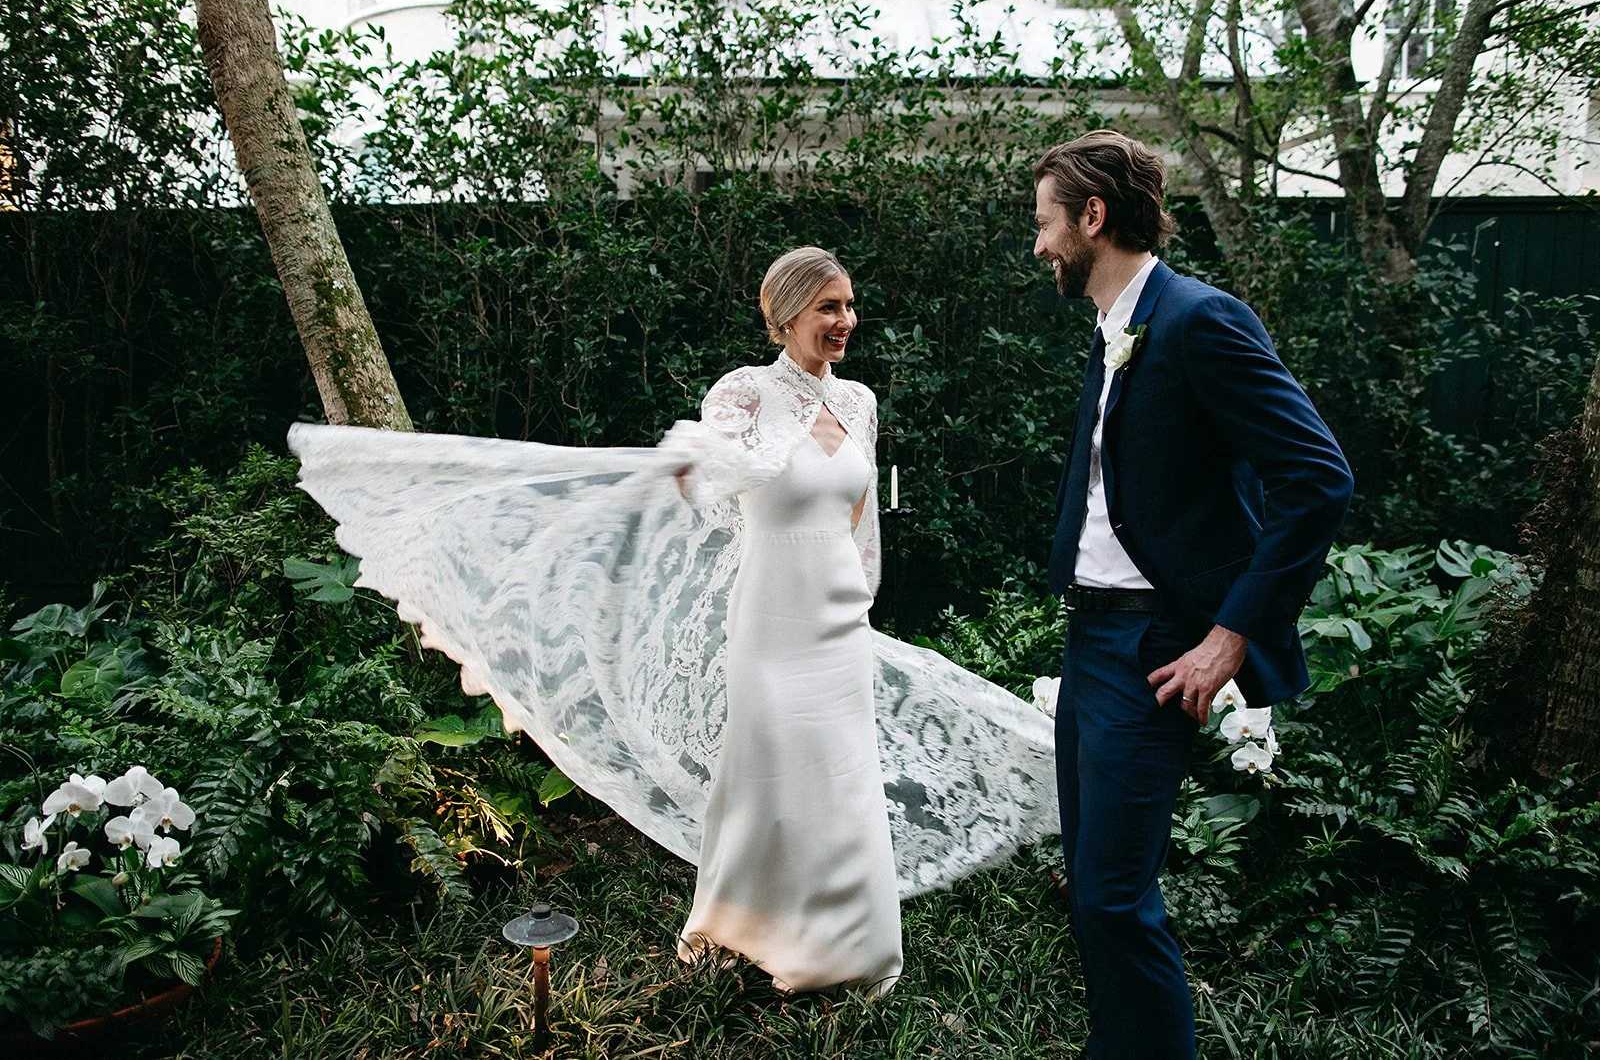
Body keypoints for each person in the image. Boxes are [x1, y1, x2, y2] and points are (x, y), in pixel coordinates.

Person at [288, 246, 1059, 999]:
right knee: (764, 773)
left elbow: (858, 518)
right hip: (770, 612)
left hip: (836, 613)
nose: (846, 320)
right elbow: (712, 490)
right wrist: (701, 456)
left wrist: (860, 593)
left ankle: (853, 944)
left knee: (843, 772)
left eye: (850, 305)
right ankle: (741, 925)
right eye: (830, 306)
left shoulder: (859, 402)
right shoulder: (745, 393)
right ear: (787, 313)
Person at [1032, 132, 1353, 1058]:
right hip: (1087, 641)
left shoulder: (1199, 320)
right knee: (1093, 890)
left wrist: (1229, 638)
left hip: (1154, 649)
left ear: (1094, 218)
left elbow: (1318, 478)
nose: (1040, 246)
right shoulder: (1113, 331)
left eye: (1045, 223)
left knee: (1115, 894)